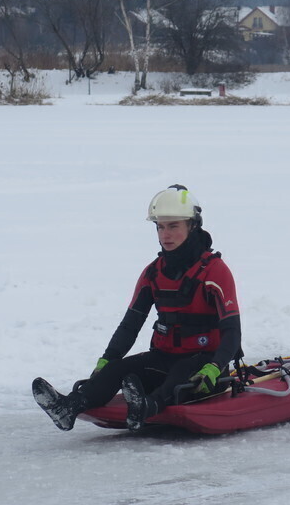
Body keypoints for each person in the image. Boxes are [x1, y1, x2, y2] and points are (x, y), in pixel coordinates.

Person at [33, 184, 242, 432]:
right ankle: (69, 407)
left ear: (192, 226)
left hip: (204, 369)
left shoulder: (215, 271)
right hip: (164, 360)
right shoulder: (153, 273)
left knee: (183, 371)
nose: (165, 234)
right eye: (160, 226)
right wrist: (107, 361)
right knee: (117, 369)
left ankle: (148, 407)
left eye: (173, 226)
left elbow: (232, 333)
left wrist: (214, 367)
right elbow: (130, 325)